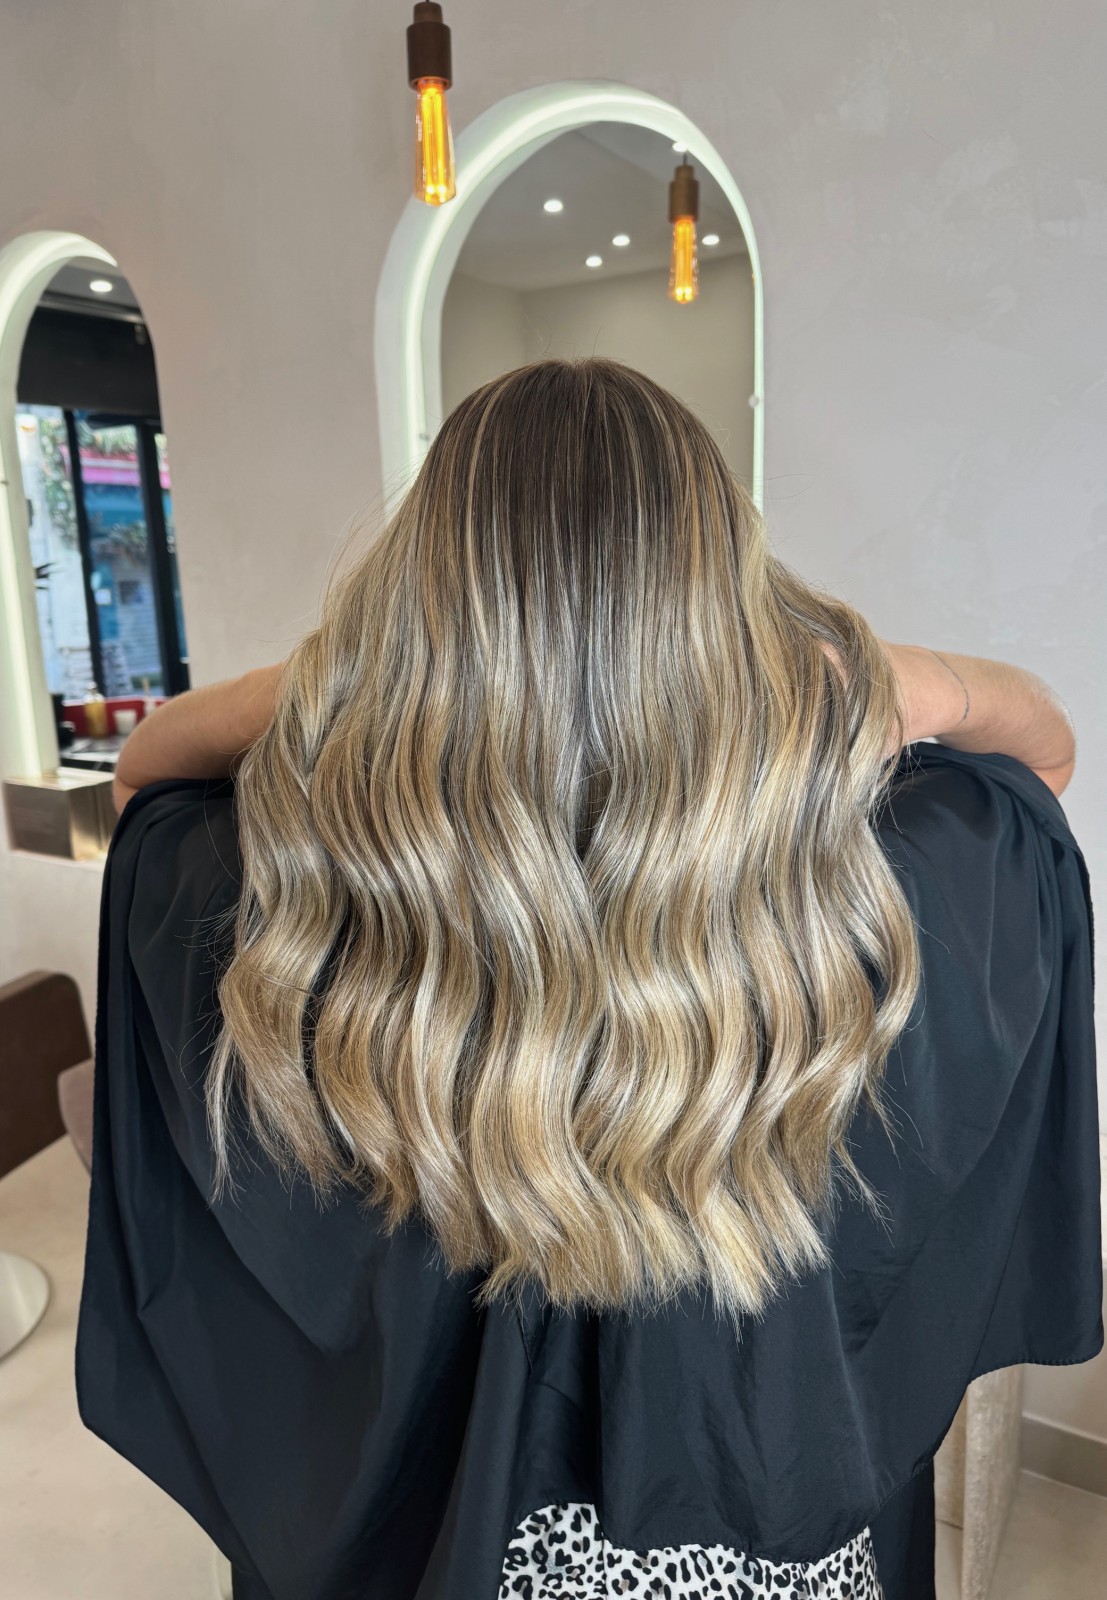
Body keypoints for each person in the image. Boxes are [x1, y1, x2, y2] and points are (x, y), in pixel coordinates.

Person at [77, 358, 1101, 1600]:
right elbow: (1044, 760)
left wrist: (345, 682)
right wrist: (886, 673)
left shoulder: (272, 896)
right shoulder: (891, 882)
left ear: (418, 602)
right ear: (730, 595)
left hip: (427, 1550)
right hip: (760, 1542)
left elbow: (143, 775)